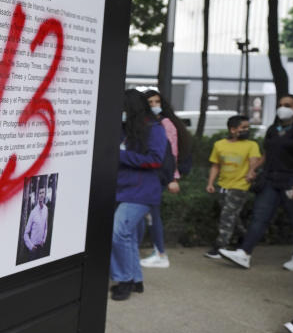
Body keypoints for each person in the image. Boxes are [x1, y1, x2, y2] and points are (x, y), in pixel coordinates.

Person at [221, 95, 293, 270]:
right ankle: (244, 253)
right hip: (270, 178)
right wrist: (253, 169)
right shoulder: (273, 130)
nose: (283, 108)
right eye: (280, 105)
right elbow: (267, 154)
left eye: (287, 105)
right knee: (260, 216)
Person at [110, 89, 167, 301]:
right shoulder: (126, 129)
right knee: (128, 236)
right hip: (124, 190)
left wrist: (121, 156)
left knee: (118, 232)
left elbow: (155, 160)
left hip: (141, 192)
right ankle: (135, 279)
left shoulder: (154, 129)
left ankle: (124, 280)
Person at [138, 89, 191, 268]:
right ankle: (154, 251)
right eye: (150, 102)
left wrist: (172, 177)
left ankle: (160, 253)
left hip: (158, 176)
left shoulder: (165, 123)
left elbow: (172, 152)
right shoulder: (149, 122)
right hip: (150, 174)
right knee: (146, 215)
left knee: (152, 215)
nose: (154, 105)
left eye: (156, 102)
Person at [204, 115, 261, 259]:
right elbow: (215, 165)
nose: (246, 130)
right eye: (243, 128)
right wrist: (210, 183)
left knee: (227, 215)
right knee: (232, 216)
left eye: (248, 127)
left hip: (240, 186)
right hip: (223, 186)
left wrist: (251, 173)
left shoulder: (251, 145)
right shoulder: (219, 145)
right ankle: (245, 238)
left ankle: (219, 247)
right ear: (233, 129)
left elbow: (254, 161)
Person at [22, 180, 49, 260]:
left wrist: (43, 240)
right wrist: (31, 246)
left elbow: (45, 227)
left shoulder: (46, 209)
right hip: (33, 249)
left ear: (44, 194)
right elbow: (25, 233)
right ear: (38, 194)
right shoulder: (33, 212)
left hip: (41, 247)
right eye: (40, 193)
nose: (41, 195)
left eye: (43, 193)